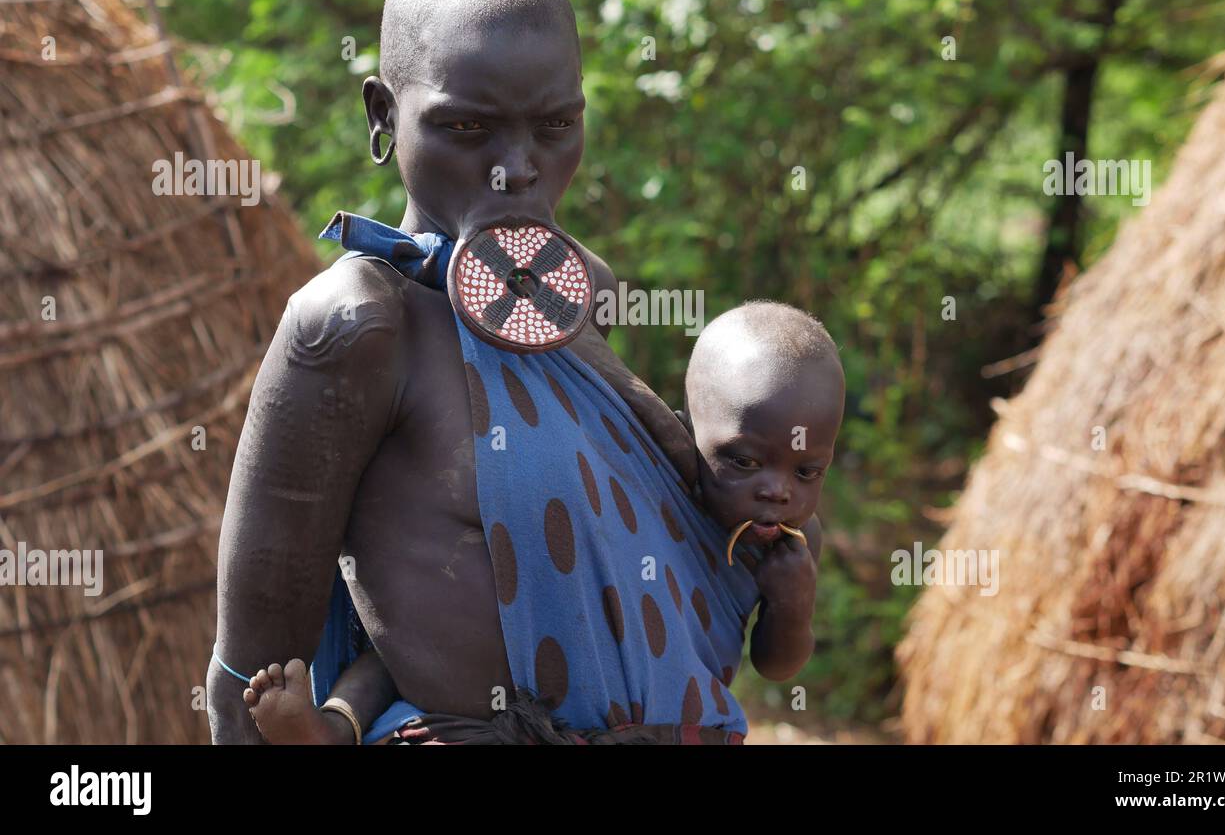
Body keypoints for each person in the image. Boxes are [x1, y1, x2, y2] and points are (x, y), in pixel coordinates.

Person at [207, 0, 793, 745]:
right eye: (466, 127)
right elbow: (250, 679)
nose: (515, 170)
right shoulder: (354, 327)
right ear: (383, 116)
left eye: (555, 126)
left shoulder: (579, 297)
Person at [240, 301, 844, 743]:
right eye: (743, 460)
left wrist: (791, 605)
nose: (776, 491)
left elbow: (777, 664)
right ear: (684, 431)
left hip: (674, 720)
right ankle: (332, 729)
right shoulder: (651, 480)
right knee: (405, 640)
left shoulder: (794, 544)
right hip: (521, 672)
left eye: (806, 472)